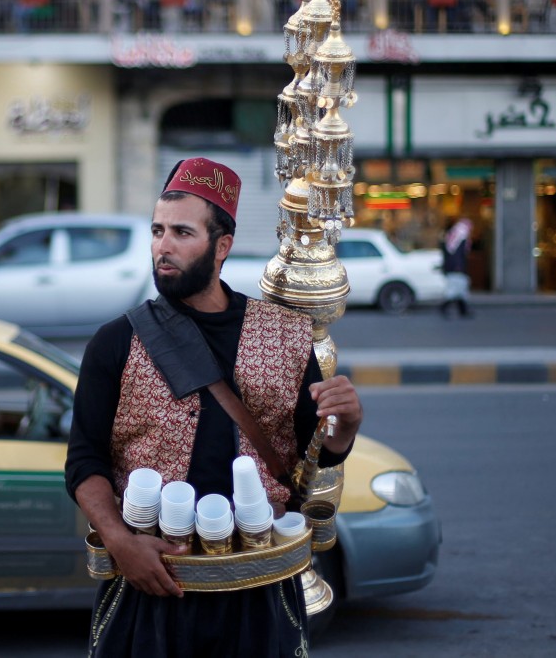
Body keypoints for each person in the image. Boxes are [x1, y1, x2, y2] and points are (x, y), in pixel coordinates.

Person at [65, 157, 363, 657]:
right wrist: (119, 541)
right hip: (152, 579)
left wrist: (345, 427)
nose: (164, 246)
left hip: (259, 581)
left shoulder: (287, 335)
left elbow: (312, 464)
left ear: (221, 246)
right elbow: (83, 460)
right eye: (158, 231)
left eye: (182, 232)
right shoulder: (115, 342)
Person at [440, 217, 473, 319]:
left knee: (459, 290)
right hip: (456, 268)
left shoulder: (453, 236)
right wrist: (459, 267)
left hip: (452, 267)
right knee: (455, 290)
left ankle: (463, 310)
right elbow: (459, 254)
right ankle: (444, 308)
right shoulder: (461, 237)